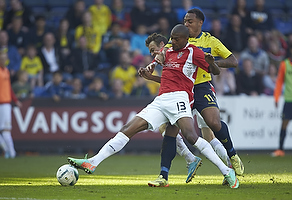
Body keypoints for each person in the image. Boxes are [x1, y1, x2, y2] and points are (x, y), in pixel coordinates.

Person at [68, 25, 239, 189]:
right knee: (128, 128)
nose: (173, 41)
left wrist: (212, 63)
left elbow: (214, 71)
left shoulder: (194, 52)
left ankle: (226, 171)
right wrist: (151, 66)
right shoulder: (169, 50)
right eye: (171, 38)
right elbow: (159, 57)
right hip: (161, 100)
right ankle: (93, 162)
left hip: (180, 97)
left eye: (176, 39)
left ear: (186, 39)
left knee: (190, 135)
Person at [147, 8, 244, 184]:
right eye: (185, 21)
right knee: (171, 131)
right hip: (182, 90)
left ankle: (232, 155)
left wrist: (214, 62)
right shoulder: (176, 39)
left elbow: (233, 61)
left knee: (213, 123)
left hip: (202, 86)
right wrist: (155, 61)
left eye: (190, 21)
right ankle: (163, 175)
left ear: (200, 22)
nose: (186, 24)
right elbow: (164, 54)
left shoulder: (210, 41)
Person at [271, 41, 292, 157]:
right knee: (284, 124)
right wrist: (276, 97)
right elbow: (279, 82)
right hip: (289, 98)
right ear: (291, 50)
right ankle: (280, 149)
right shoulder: (285, 64)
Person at [0, 50, 22, 158]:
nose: (4, 61)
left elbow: (8, 88)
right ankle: (10, 152)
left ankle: (9, 152)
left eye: (5, 59)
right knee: (5, 130)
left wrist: (15, 99)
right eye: (2, 58)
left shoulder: (6, 71)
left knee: (5, 129)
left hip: (6, 103)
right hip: (1, 103)